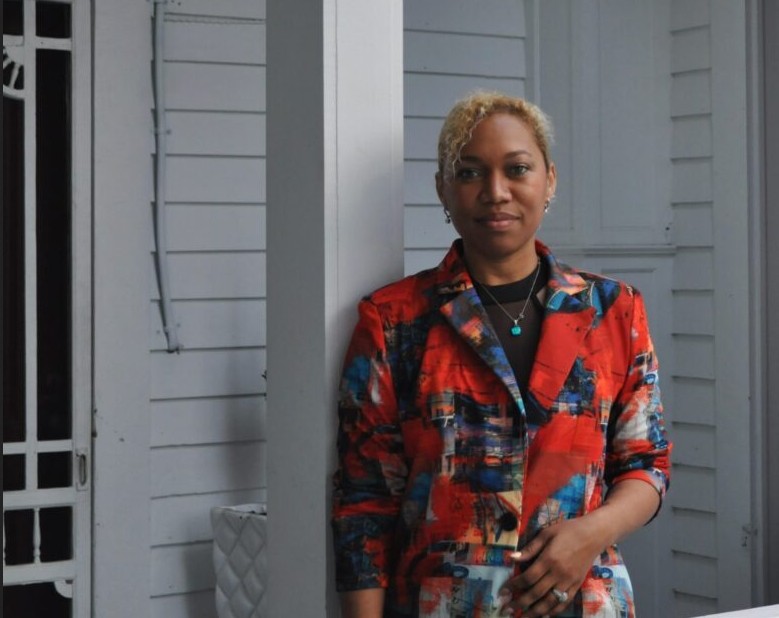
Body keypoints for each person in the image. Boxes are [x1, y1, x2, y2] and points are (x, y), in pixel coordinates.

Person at [332, 91, 671, 618]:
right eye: (470, 173)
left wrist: (590, 533)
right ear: (443, 190)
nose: (495, 192)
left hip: (582, 604)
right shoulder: (395, 321)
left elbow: (647, 464)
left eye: (517, 169)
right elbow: (365, 500)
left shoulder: (614, 311)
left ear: (549, 180)